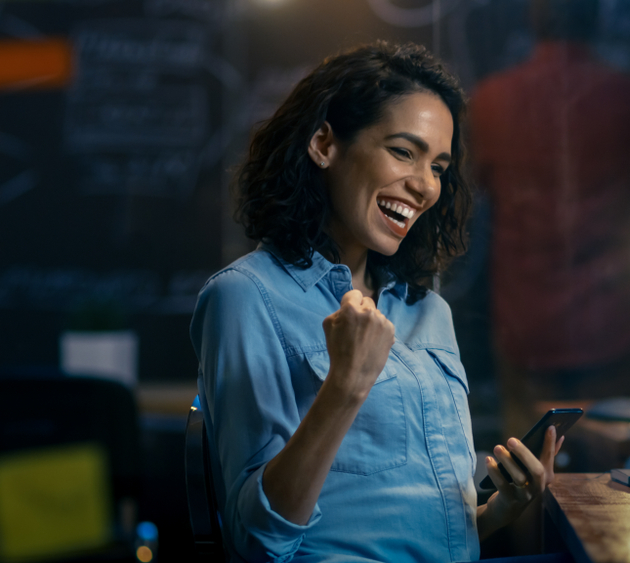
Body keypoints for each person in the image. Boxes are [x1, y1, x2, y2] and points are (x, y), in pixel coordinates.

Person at [190, 41, 563, 563]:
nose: (424, 186)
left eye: (438, 166)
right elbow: (255, 541)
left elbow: (414, 523)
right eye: (403, 151)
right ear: (324, 144)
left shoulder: (428, 311)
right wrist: (345, 386)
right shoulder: (245, 297)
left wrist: (500, 510)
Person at [468, 0, 630, 437]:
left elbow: (463, 198)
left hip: (522, 324)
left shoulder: (491, 100)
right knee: (616, 475)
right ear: (598, 17)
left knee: (527, 474)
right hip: (614, 321)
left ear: (533, 19)